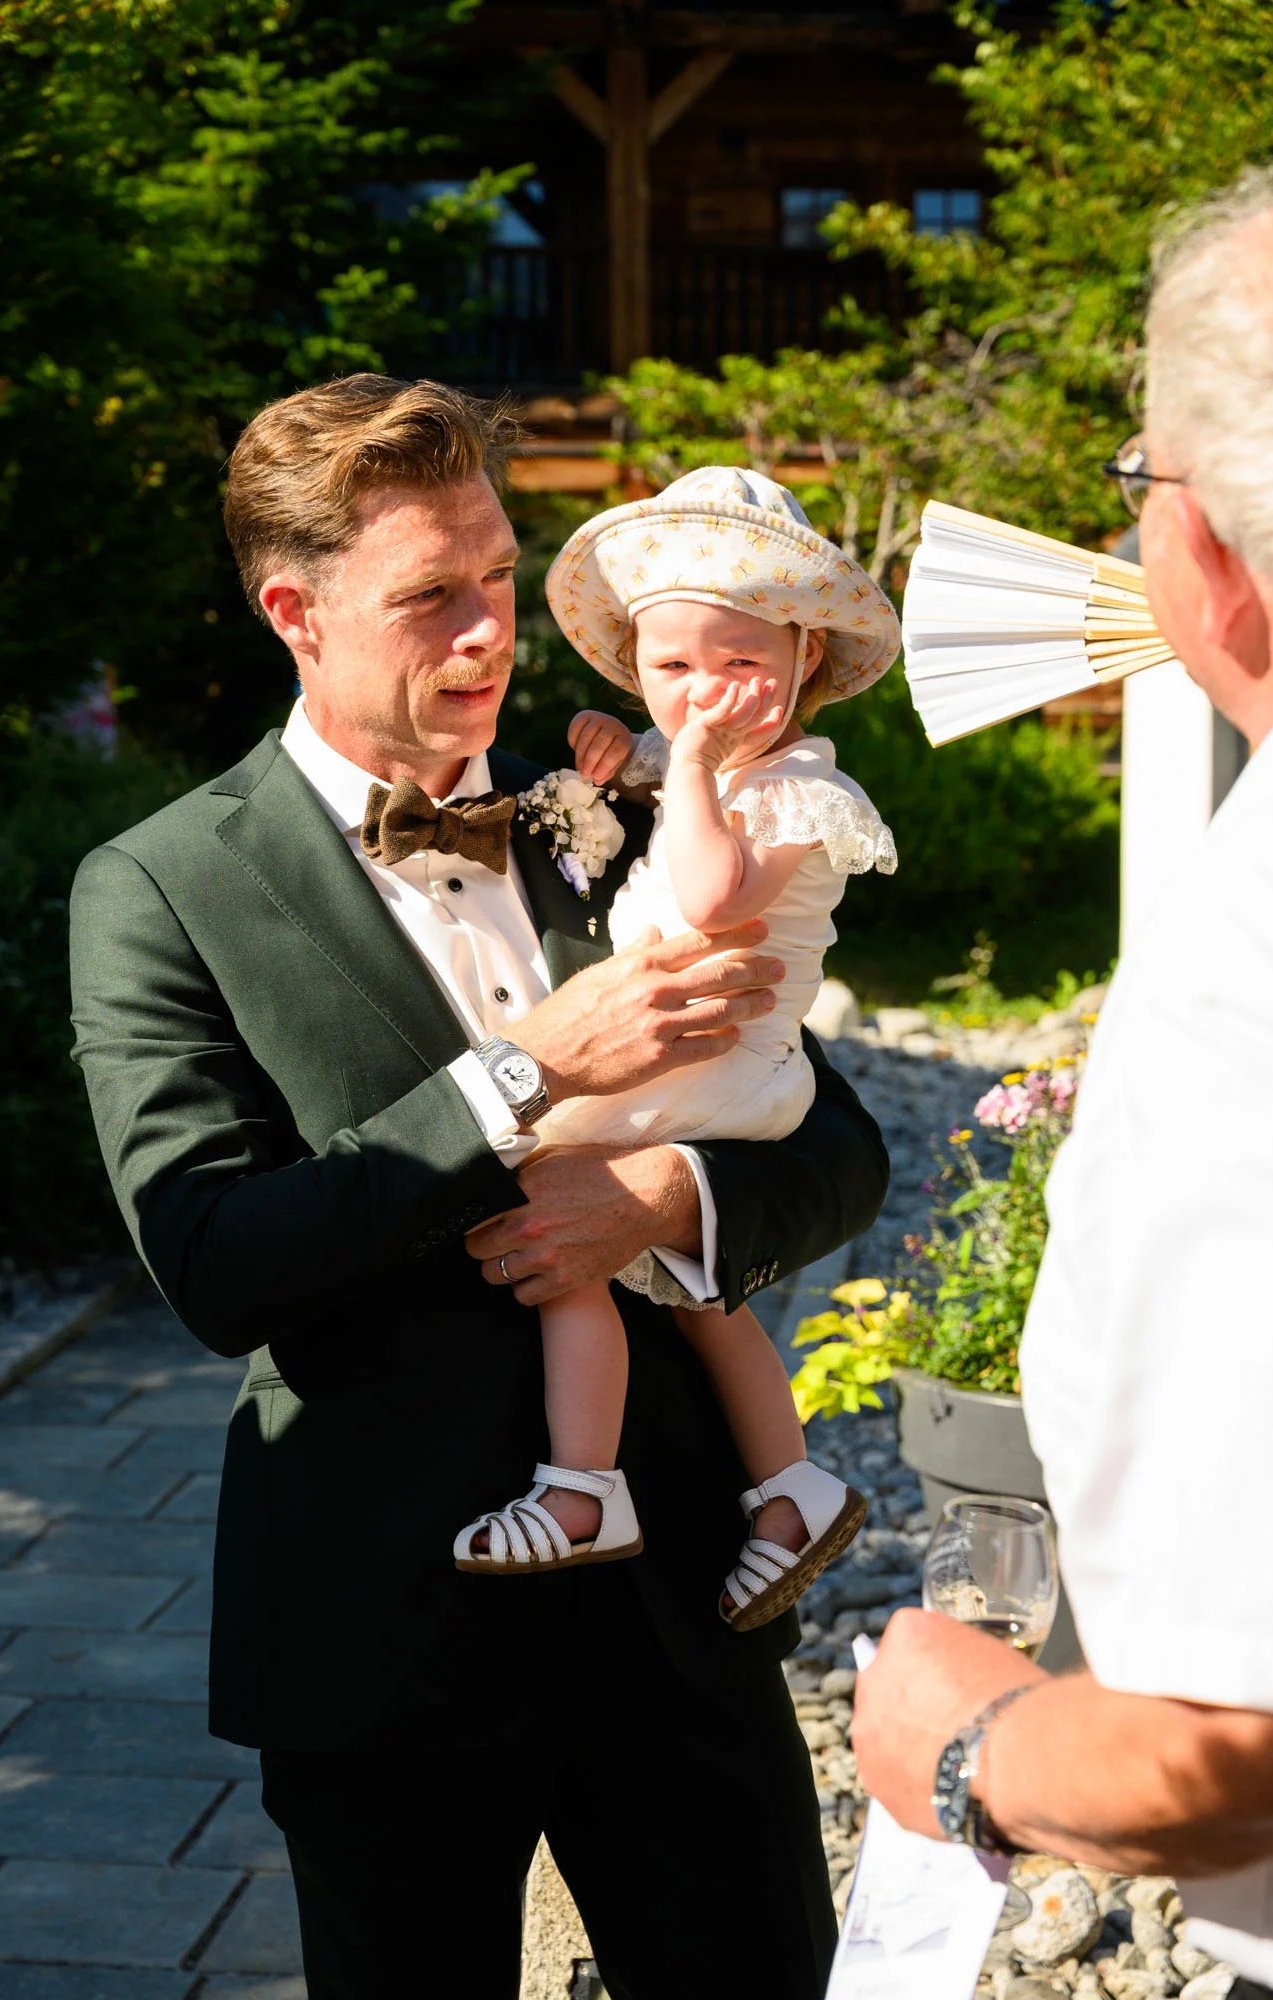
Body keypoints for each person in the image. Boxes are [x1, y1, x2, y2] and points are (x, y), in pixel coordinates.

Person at [69, 375, 891, 2000]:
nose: (485, 632)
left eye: (500, 580)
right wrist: (527, 1072)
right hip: (384, 1628)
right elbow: (216, 1258)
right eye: (430, 597)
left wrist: (665, 1207)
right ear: (294, 610)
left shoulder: (619, 805)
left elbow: (835, 1144)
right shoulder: (158, 887)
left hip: (678, 1602)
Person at [850, 168, 1273, 1997]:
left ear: (1206, 559)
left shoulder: (1241, 992)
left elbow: (1224, 1745)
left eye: (1134, 490)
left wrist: (961, 1747)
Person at [455, 467, 899, 1634]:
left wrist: (687, 763)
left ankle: (581, 1485)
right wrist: (625, 752)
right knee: (707, 1299)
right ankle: (793, 1487)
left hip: (719, 1050)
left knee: (545, 1192)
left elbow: (707, 897)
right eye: (669, 670)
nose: (701, 695)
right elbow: (649, 780)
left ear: (804, 655)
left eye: (739, 664)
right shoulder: (711, 757)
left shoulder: (803, 790)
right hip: (700, 1051)